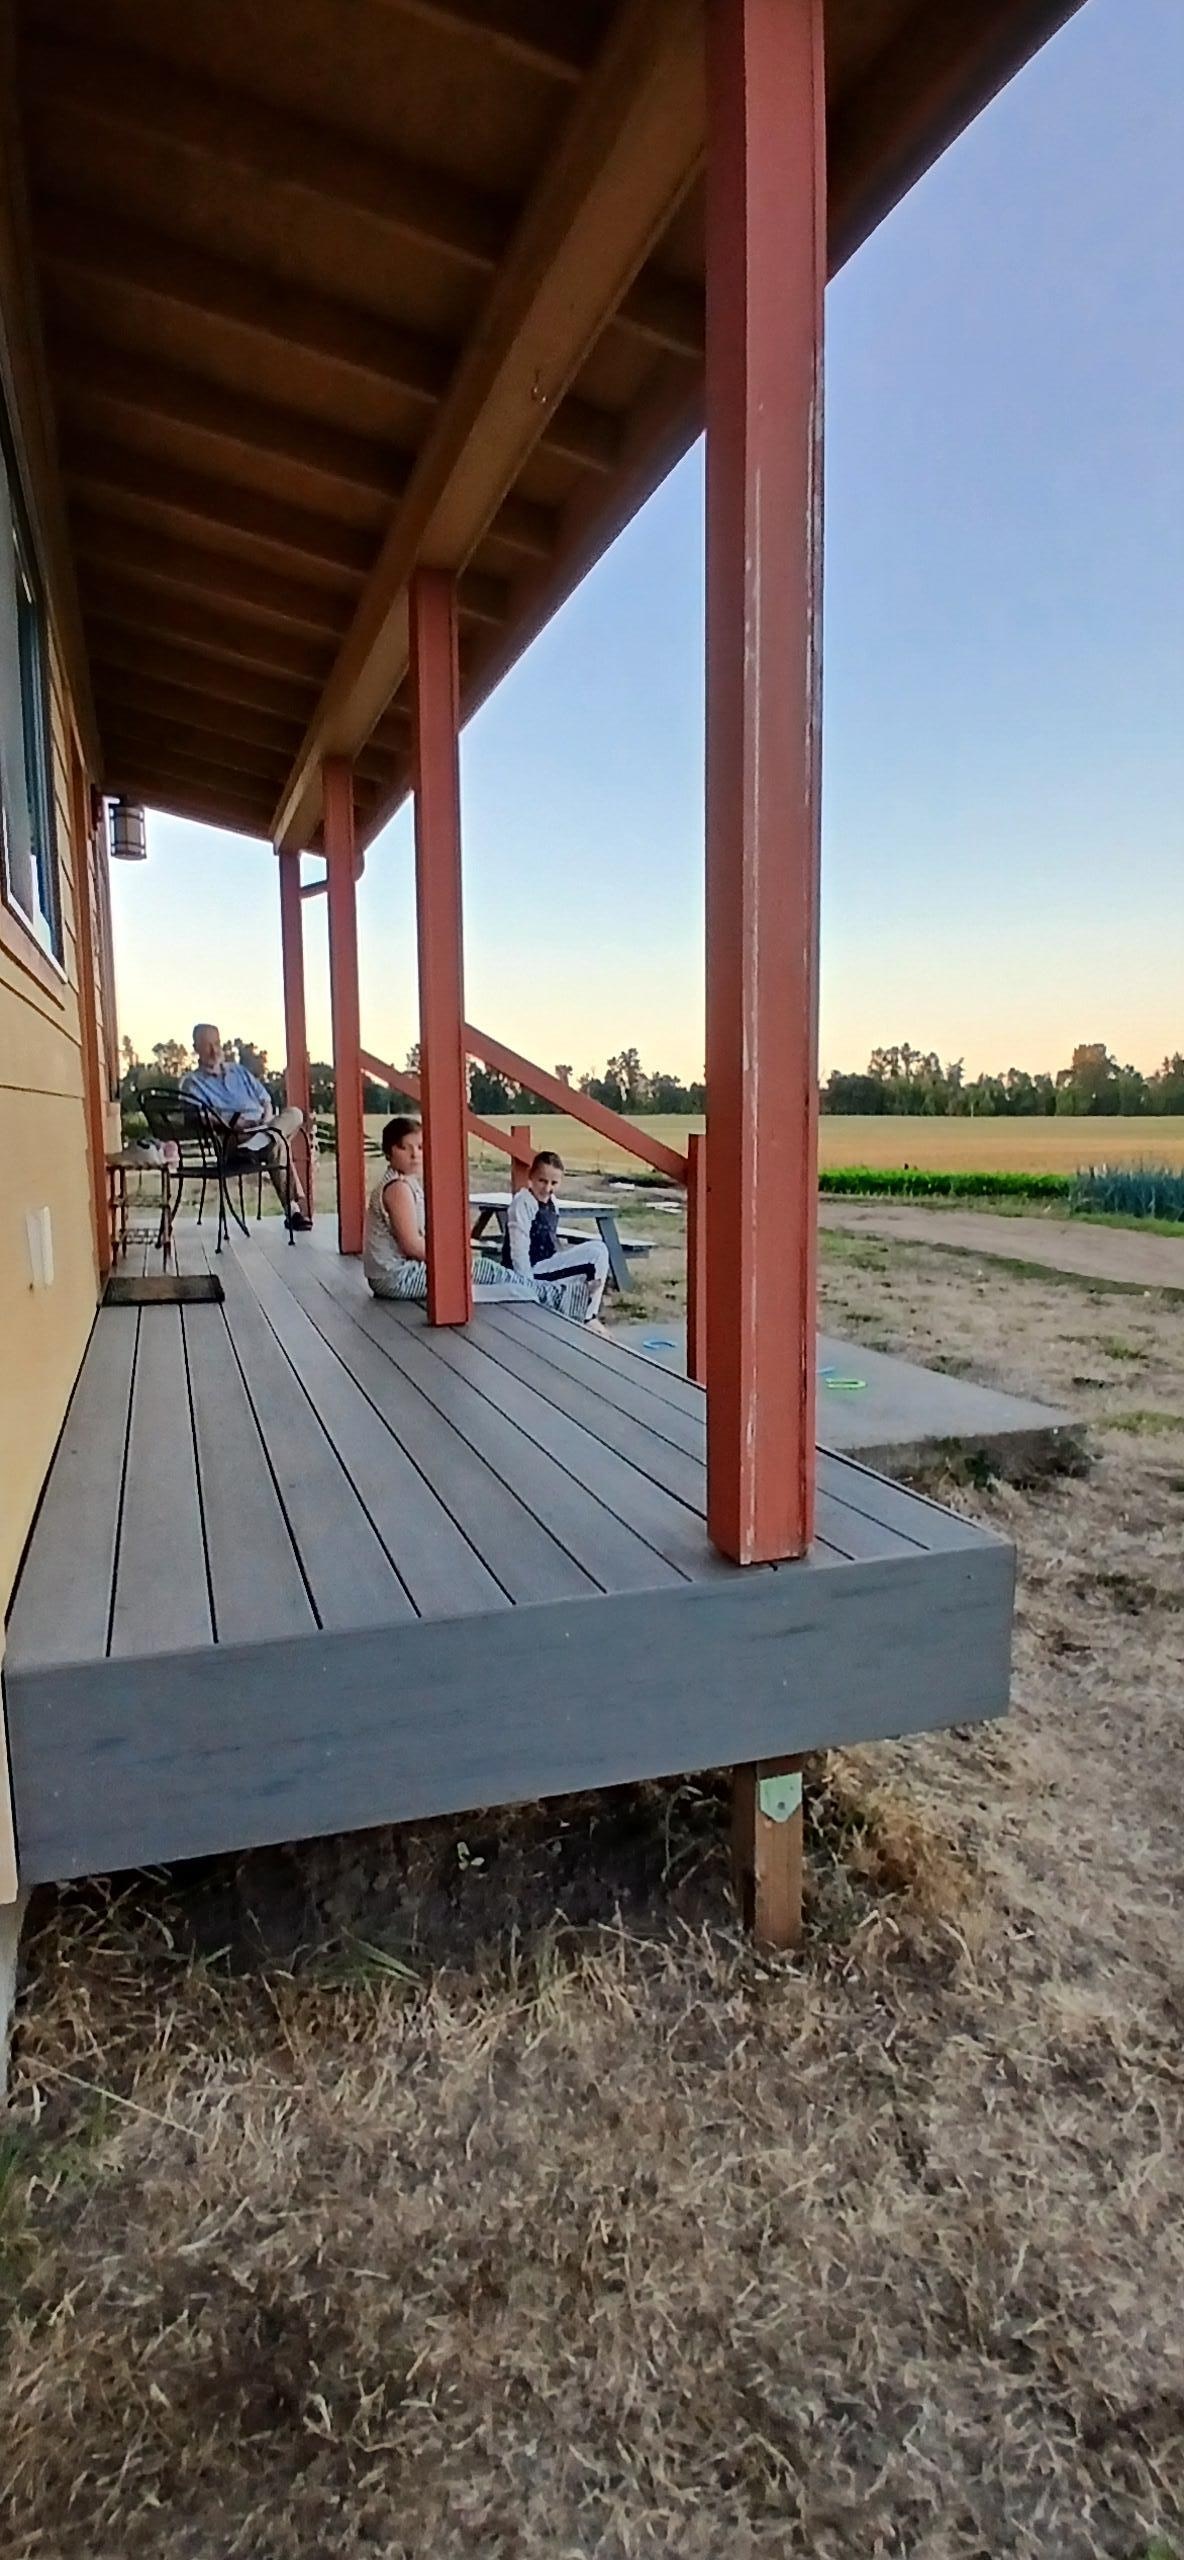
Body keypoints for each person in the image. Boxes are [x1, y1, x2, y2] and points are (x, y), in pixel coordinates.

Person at [363, 1118, 590, 1319]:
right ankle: (557, 1296)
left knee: (488, 1275)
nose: (415, 1154)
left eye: (420, 1147)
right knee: (482, 1271)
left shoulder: (405, 1182)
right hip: (395, 1277)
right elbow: (411, 1244)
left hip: (399, 1274)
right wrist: (450, 1261)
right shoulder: (397, 1189)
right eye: (404, 1148)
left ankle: (553, 1295)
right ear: (389, 1151)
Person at [181, 1023, 312, 1230]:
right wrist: (237, 1123)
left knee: (294, 1114)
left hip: (262, 1128)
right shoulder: (192, 1083)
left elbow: (266, 1101)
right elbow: (200, 1118)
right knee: (278, 1144)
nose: (215, 1051)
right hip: (234, 1138)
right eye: (207, 1046)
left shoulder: (238, 1071)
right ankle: (293, 1210)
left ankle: (261, 1141)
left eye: (217, 1044)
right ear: (196, 1048)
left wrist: (265, 1123)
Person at [502, 1150, 610, 1331]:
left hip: (546, 1264)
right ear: (531, 1177)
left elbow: (551, 1240)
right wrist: (528, 1289)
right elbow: (518, 1249)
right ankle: (587, 1316)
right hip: (529, 1272)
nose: (547, 1188)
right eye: (542, 1181)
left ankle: (584, 1306)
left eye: (553, 1183)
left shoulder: (552, 1203)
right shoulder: (523, 1202)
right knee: (593, 1258)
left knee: (599, 1249)